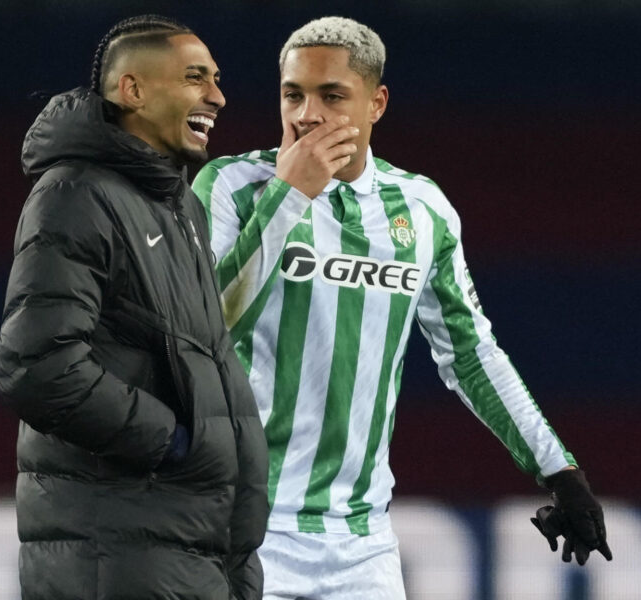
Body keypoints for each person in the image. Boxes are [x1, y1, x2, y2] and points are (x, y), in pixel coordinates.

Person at [193, 16, 611, 599]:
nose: (306, 114)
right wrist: (290, 195)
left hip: (363, 546)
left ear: (377, 103)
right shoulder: (229, 186)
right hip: (242, 530)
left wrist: (560, 471)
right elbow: (203, 325)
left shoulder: (421, 209)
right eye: (293, 94)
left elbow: (469, 353)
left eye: (331, 96)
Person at [0, 15, 268, 600]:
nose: (217, 96)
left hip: (193, 549)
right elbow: (36, 366)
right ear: (132, 90)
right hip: (119, 556)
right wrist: (169, 442)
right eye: (196, 78)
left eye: (216, 79)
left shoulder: (179, 208)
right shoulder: (75, 193)